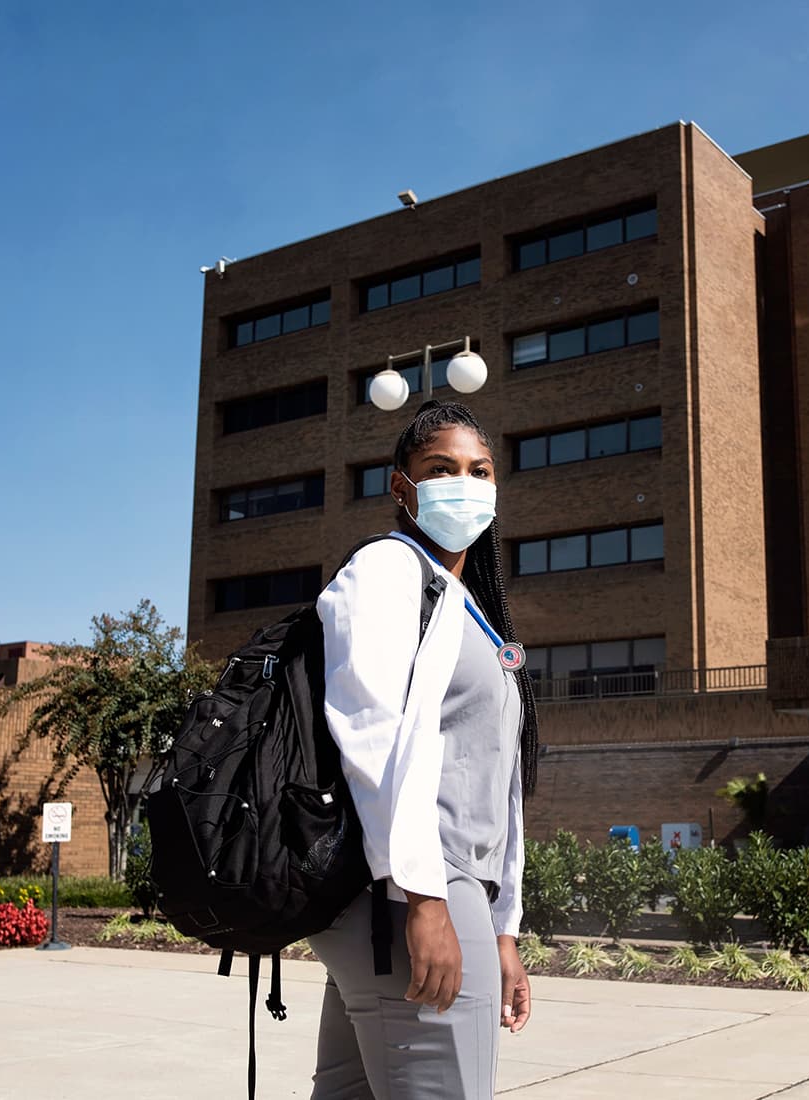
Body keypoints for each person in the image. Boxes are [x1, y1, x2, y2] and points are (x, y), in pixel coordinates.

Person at [309, 400, 541, 1099]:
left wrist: (503, 931)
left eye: (479, 471)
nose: (463, 483)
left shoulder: (463, 604)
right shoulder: (388, 569)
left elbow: (494, 782)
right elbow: (371, 735)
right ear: (400, 487)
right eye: (441, 468)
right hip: (413, 888)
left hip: (436, 892)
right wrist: (424, 902)